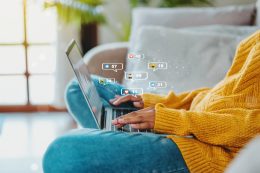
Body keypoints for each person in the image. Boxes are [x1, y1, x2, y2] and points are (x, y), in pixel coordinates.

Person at [43, 31, 260, 173]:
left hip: (211, 150)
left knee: (62, 153)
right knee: (77, 88)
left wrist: (167, 119)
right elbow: (223, 93)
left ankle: (116, 141)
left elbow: (253, 130)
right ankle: (117, 138)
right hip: (194, 121)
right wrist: (152, 102)